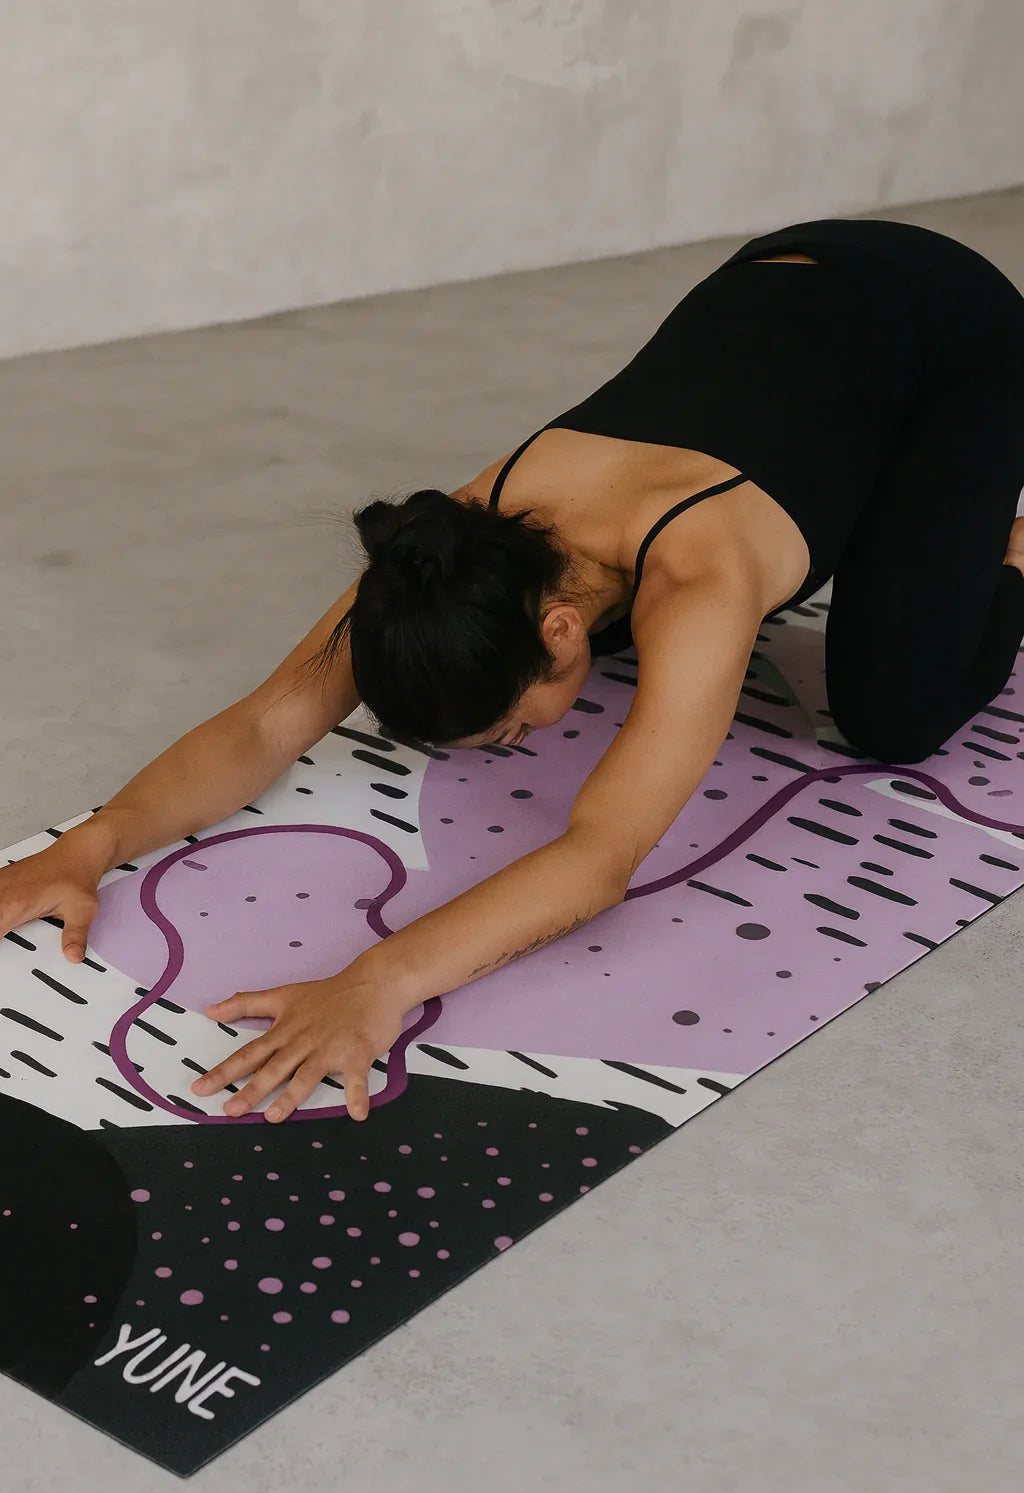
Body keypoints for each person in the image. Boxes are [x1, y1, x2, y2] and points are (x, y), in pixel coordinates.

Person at [4, 216, 1024, 1124]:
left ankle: (999, 542)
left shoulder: (699, 579)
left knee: (896, 711)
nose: (515, 747)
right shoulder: (445, 552)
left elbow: (601, 856)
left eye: (509, 731)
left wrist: (377, 982)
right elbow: (272, 722)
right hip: (775, 286)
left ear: (563, 633)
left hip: (950, 324)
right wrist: (92, 846)